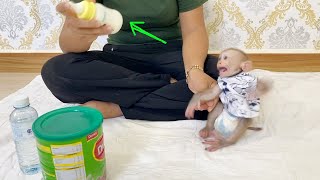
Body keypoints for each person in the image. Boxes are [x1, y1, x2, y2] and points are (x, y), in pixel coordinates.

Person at [41, 0, 219, 121]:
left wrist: (194, 70)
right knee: (56, 71)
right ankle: (167, 90)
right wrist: (79, 31)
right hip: (121, 57)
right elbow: (69, 47)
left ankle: (118, 106)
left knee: (229, 80)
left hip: (172, 55)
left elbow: (194, 29)